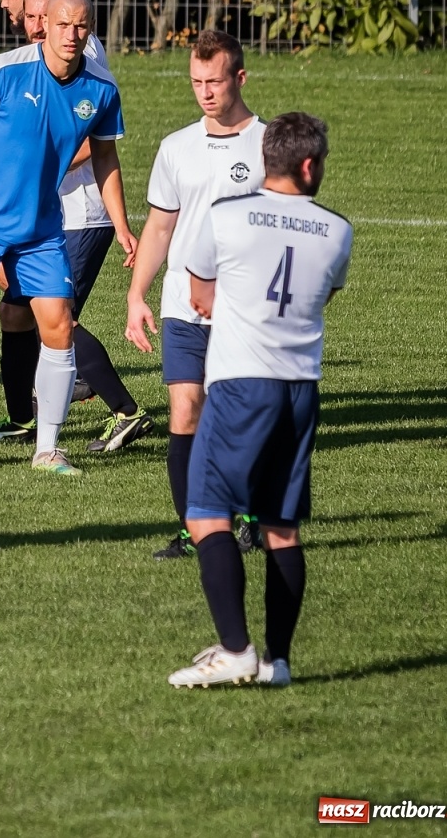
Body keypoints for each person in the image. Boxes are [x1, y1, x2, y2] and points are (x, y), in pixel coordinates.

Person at [166, 112, 352, 688]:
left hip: (241, 386)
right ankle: (278, 662)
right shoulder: (337, 231)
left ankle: (235, 650)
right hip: (301, 390)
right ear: (308, 165)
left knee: (205, 514)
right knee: (281, 527)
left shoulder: (226, 216)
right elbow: (322, 295)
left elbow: (200, 297)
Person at [0, 0, 136, 475]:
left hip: (41, 228)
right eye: (63, 24)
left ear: (90, 28)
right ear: (45, 25)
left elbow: (105, 156)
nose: (71, 34)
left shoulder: (101, 89)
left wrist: (122, 224)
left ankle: (48, 448)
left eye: (81, 26)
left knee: (58, 325)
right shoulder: (5, 69)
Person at [0, 0, 153, 453]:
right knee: (16, 312)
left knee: (55, 316)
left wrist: (36, 167)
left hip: (80, 214)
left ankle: (126, 411)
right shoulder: (34, 56)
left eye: (35, 12)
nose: (28, 21)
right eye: (29, 16)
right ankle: (22, 418)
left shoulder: (80, 52)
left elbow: (95, 143)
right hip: (48, 214)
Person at [126, 31, 266, 560]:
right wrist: (137, 294)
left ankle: (247, 512)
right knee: (185, 411)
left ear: (240, 78)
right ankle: (195, 530)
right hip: (183, 307)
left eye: (215, 81)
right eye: (196, 82)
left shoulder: (269, 145)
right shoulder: (176, 147)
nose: (205, 92)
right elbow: (160, 227)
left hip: (245, 312)